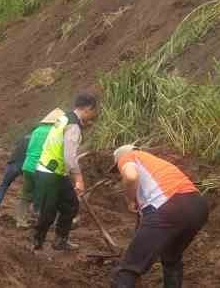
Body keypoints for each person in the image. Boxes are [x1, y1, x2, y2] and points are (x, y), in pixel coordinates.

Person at [110, 145, 208, 288]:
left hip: (170, 207)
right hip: (197, 206)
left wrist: (131, 199)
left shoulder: (128, 156)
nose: (119, 172)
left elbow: (131, 177)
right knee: (171, 258)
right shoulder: (155, 164)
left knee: (128, 269)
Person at [33, 93, 98, 251]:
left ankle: (60, 240)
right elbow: (69, 157)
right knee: (48, 212)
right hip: (49, 172)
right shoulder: (73, 126)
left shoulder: (64, 118)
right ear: (88, 108)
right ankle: (37, 243)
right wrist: (79, 179)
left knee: (71, 205)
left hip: (57, 172)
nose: (94, 115)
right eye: (94, 111)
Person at [14, 108, 66, 228]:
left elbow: (30, 148)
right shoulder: (55, 132)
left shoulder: (37, 130)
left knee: (26, 195)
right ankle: (46, 222)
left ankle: (20, 221)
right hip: (42, 168)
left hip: (28, 165)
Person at [0, 133, 30, 217]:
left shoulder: (23, 137)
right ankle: (21, 215)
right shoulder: (38, 139)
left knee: (3, 185)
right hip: (26, 165)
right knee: (26, 191)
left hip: (13, 163)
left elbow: (15, 147)